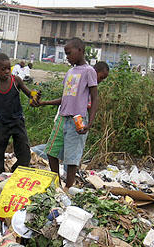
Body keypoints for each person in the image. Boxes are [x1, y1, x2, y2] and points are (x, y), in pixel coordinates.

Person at [35, 38, 98, 191]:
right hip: (63, 117)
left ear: (80, 51)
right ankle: (56, 184)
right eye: (66, 54)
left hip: (78, 119)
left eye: (69, 53)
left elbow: (95, 98)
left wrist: (90, 123)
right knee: (51, 151)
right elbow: (65, 97)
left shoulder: (89, 71)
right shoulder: (70, 72)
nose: (67, 57)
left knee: (71, 158)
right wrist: (45, 103)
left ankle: (69, 187)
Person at [0, 53, 41, 177]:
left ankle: (17, 173)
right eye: (3, 69)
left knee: (24, 151)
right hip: (1, 124)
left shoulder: (16, 81)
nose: (7, 71)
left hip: (17, 122)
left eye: (9, 68)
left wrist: (36, 96)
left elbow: (29, 93)